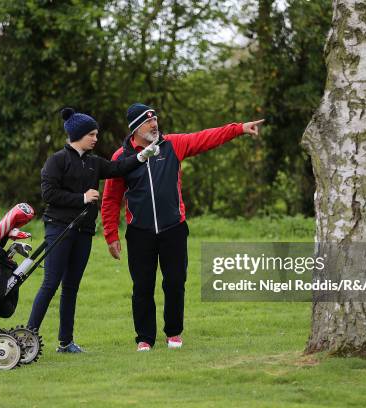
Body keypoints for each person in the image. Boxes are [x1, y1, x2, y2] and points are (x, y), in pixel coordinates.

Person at [101, 103, 263, 351]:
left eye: (155, 119)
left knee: (175, 282)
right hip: (139, 233)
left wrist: (239, 128)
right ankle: (145, 338)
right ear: (135, 127)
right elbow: (111, 199)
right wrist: (111, 234)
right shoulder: (121, 158)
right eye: (148, 122)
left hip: (173, 229)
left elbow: (206, 138)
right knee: (142, 286)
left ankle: (173, 333)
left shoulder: (172, 145)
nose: (155, 124)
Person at [27, 107, 159, 353]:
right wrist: (82, 197)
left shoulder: (93, 162)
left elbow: (118, 169)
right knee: (51, 282)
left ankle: (65, 342)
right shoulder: (57, 160)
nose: (96, 139)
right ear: (78, 134)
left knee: (71, 287)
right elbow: (49, 194)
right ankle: (27, 337)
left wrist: (143, 156)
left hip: (84, 232)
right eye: (92, 134)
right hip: (59, 229)